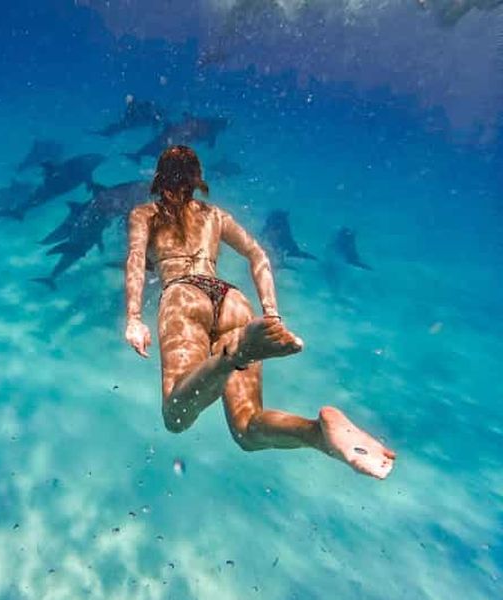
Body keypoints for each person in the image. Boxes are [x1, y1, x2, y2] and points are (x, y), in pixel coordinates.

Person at [124, 145, 396, 479]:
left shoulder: (144, 214)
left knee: (176, 417)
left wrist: (134, 318)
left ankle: (232, 354)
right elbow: (259, 255)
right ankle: (318, 435)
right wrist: (272, 315)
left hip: (183, 294)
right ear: (198, 180)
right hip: (232, 298)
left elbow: (136, 258)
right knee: (247, 430)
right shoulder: (215, 216)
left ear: (158, 178)